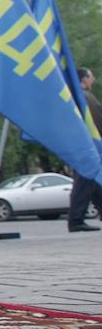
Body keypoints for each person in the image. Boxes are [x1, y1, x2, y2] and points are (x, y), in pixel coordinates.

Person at [67, 67, 102, 233]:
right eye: (91, 76)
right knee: (84, 181)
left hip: (86, 145)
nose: (93, 79)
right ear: (84, 79)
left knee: (94, 181)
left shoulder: (79, 96)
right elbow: (95, 121)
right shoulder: (83, 97)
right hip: (88, 145)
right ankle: (75, 220)